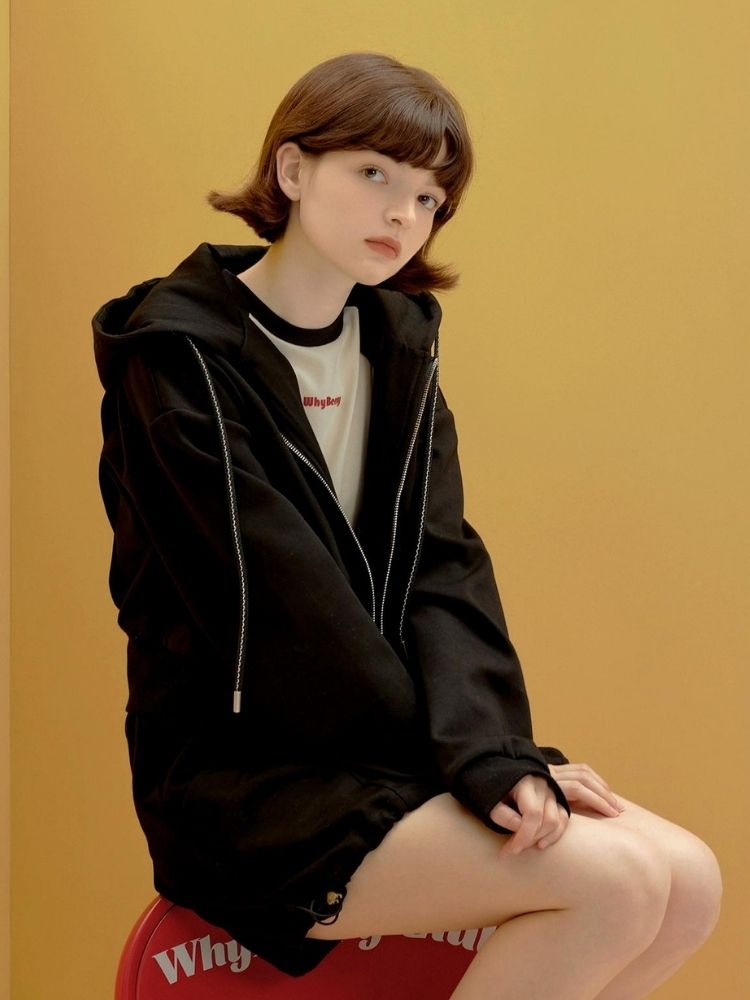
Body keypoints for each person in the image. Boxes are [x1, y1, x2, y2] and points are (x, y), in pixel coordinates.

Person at [93, 52, 722, 998]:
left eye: (429, 197)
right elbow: (284, 610)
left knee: (690, 885)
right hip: (248, 776)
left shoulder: (397, 347)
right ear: (292, 169)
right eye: (375, 173)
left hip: (388, 751)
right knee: (616, 885)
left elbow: (443, 567)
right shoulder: (177, 356)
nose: (403, 214)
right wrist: (465, 767)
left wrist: (493, 751)